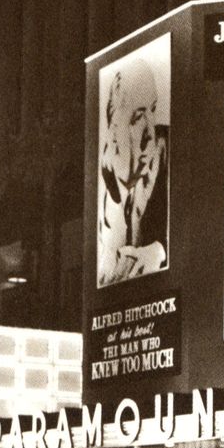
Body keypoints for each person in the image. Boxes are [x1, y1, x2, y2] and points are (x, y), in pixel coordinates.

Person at [98, 55, 168, 285]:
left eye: (153, 110)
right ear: (115, 126)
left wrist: (159, 251)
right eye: (138, 117)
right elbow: (106, 275)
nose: (150, 132)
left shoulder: (168, 150)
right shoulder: (104, 177)